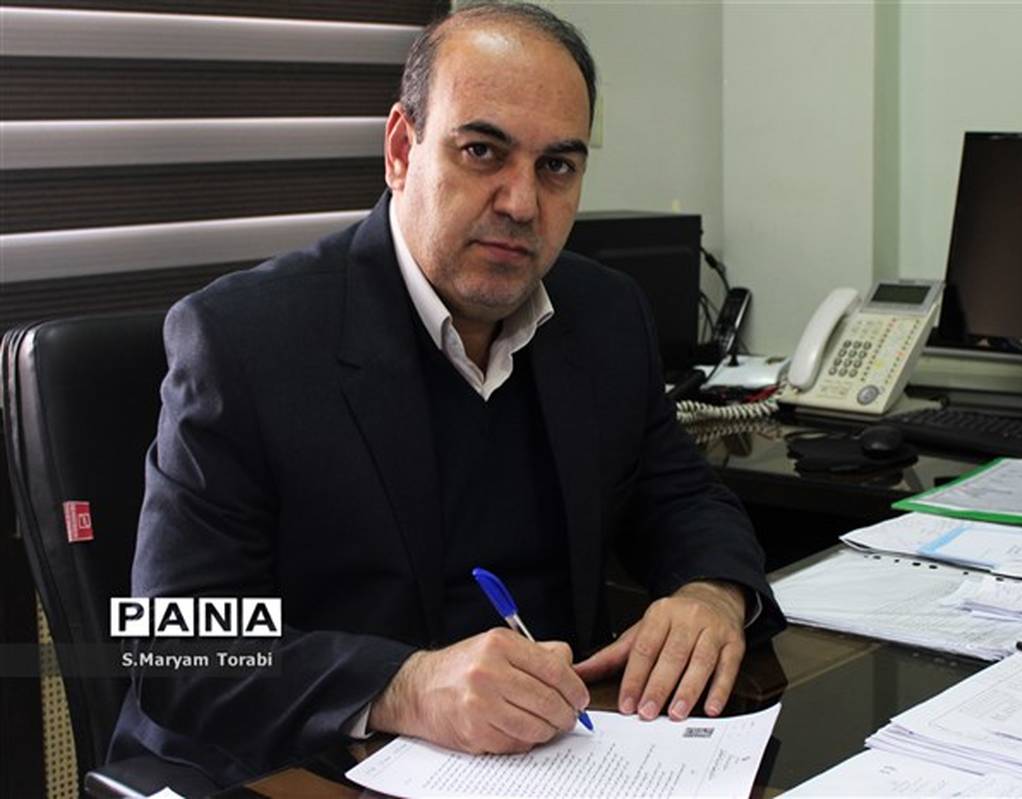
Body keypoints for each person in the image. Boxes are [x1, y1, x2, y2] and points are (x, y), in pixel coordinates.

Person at [110, 1, 783, 785]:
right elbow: (180, 640)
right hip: (303, 770)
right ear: (402, 149)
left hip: (559, 760)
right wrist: (405, 685)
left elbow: (682, 497)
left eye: (556, 166)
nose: (521, 202)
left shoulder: (603, 314)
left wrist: (712, 592)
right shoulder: (246, 338)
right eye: (482, 151)